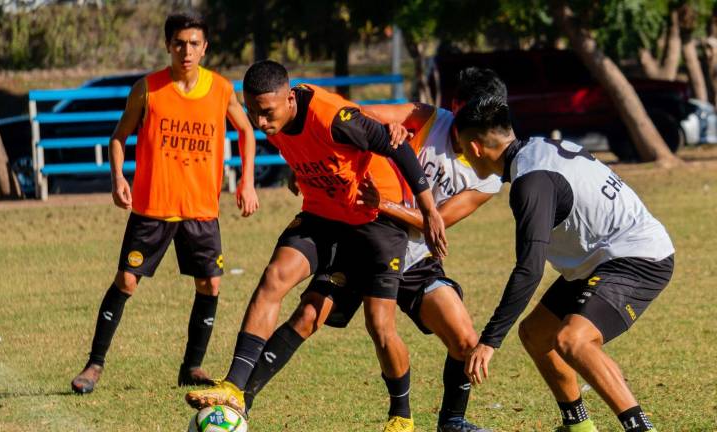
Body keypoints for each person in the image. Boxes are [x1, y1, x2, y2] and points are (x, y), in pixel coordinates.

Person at [185, 60, 447, 432]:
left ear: (290, 99)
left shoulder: (333, 117)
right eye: (253, 112)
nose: (260, 122)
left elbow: (396, 146)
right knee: (276, 280)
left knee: (379, 325)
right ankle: (234, 388)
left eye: (267, 112)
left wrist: (429, 211)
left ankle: (402, 416)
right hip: (324, 215)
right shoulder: (275, 118)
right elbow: (309, 149)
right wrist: (300, 171)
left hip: (375, 221)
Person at [237, 68, 505, 432]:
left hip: (414, 257)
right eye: (468, 114)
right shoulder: (426, 118)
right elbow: (354, 117)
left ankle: (451, 421)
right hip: (363, 233)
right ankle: (240, 400)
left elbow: (434, 222)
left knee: (465, 340)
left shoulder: (488, 178)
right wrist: (308, 162)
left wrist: (385, 204)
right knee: (308, 316)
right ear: (456, 106)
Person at [455, 95, 675, 432]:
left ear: (475, 148)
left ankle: (641, 428)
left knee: (574, 340)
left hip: (638, 257)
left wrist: (489, 340)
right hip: (600, 258)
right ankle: (578, 426)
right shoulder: (539, 146)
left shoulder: (531, 183)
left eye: (460, 150)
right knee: (536, 333)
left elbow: (530, 268)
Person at [70, 12, 259, 394]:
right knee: (126, 280)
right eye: (179, 43)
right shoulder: (148, 88)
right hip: (153, 207)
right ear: (168, 45)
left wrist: (247, 182)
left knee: (210, 284)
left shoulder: (221, 89)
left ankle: (192, 367)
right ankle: (94, 365)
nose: (186, 50)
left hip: (200, 209)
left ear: (205, 48)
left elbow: (246, 130)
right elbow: (118, 137)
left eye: (194, 43)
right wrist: (118, 177)